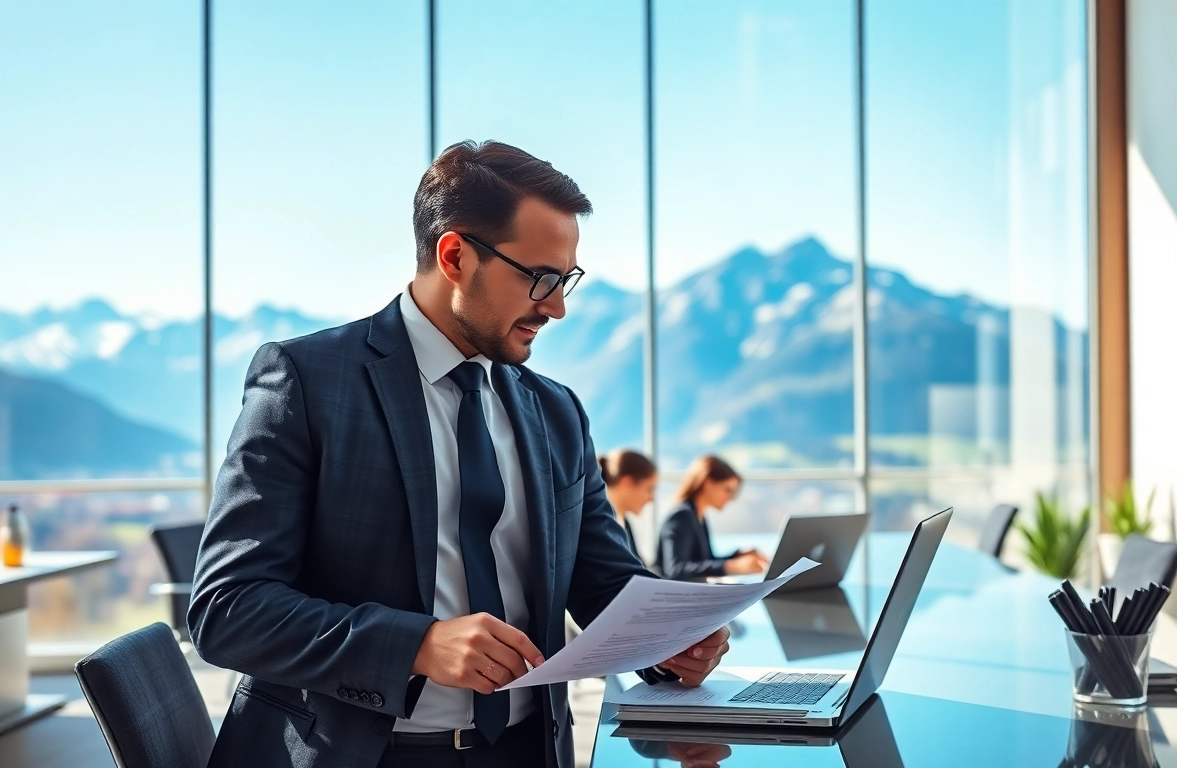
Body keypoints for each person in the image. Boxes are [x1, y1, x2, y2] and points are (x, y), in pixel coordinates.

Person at [189, 140, 730, 768]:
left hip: (529, 752)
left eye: (566, 280)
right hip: (360, 756)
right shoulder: (308, 381)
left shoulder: (557, 411)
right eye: (540, 278)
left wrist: (671, 636)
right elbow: (229, 608)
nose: (556, 307)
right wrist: (417, 645)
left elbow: (602, 579)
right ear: (454, 256)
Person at [656, 455, 769, 581]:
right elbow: (675, 570)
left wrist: (737, 556)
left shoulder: (698, 516)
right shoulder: (681, 516)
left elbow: (706, 561)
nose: (730, 498)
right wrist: (732, 566)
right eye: (727, 490)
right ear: (707, 483)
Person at [598, 448, 658, 563]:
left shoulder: (624, 523)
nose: (652, 498)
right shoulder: (601, 524)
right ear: (627, 483)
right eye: (649, 489)